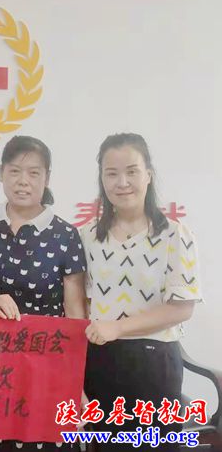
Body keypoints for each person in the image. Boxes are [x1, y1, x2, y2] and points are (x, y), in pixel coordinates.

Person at [0, 136, 87, 452]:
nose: (23, 181)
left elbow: (74, 314)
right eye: (14, 171)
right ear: (1, 173)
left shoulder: (66, 235)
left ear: (47, 178)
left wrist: (77, 382)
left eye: (34, 173)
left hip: (45, 365)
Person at [81, 133, 201, 452]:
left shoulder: (176, 235)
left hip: (155, 363)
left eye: (132, 171)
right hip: (100, 361)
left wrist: (117, 327)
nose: (122, 182)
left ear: (148, 174)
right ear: (101, 179)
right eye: (111, 173)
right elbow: (77, 304)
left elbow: (182, 307)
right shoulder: (85, 237)